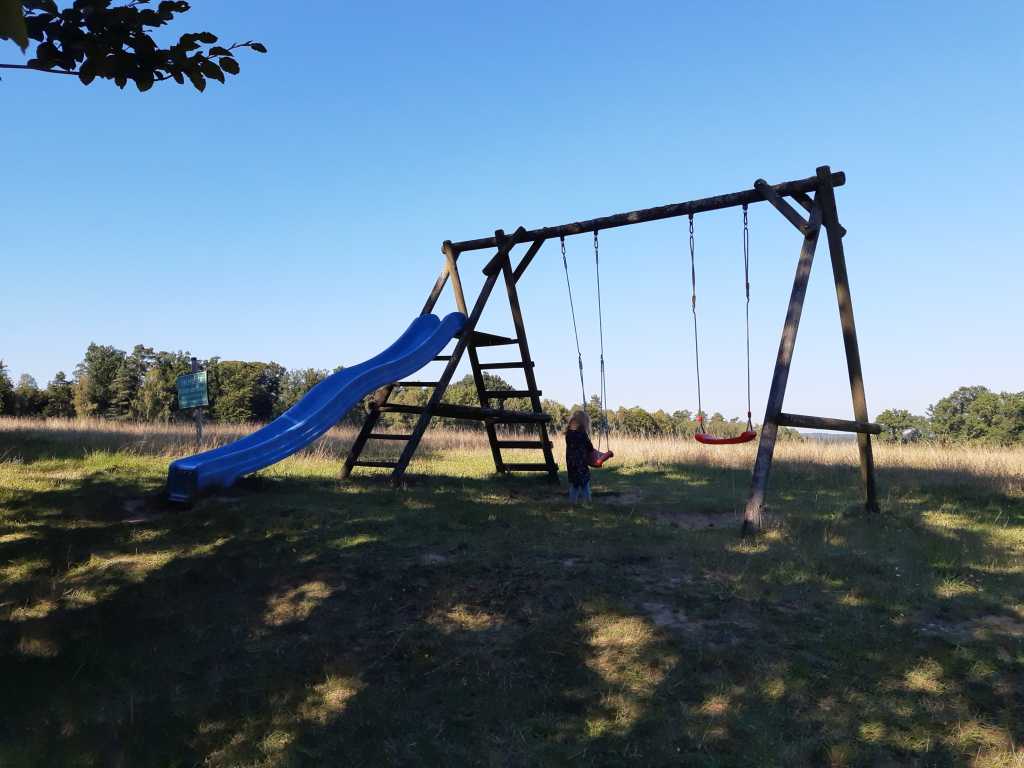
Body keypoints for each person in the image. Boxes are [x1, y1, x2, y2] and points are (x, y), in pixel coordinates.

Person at [564, 410, 614, 503]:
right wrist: (598, 456)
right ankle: (588, 502)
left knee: (574, 484)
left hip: (571, 463)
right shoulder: (582, 434)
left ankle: (572, 503)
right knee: (584, 483)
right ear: (583, 422)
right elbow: (589, 447)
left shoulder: (568, 434)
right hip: (581, 463)